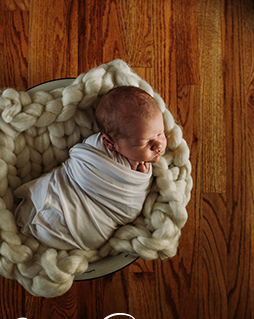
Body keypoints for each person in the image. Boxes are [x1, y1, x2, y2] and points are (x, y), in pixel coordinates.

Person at [14, 85, 166, 251]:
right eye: (146, 143)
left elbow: (127, 210)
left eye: (161, 133)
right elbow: (78, 170)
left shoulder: (138, 164)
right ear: (109, 142)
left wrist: (140, 181)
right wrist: (141, 180)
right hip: (64, 195)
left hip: (91, 225)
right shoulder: (96, 148)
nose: (159, 145)